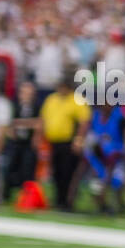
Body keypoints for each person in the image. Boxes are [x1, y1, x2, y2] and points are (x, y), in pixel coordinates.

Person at [38, 76, 90, 211]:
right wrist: (39, 137)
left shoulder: (76, 100)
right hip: (54, 142)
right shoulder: (52, 99)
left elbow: (84, 121)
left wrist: (79, 140)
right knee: (56, 173)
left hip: (69, 143)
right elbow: (43, 119)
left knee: (68, 173)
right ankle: (58, 200)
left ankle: (68, 202)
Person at [2, 80, 42, 199]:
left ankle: (26, 196)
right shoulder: (14, 106)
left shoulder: (37, 107)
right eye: (24, 92)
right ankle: (6, 195)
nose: (26, 95)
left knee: (27, 169)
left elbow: (39, 123)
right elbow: (9, 123)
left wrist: (18, 123)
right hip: (15, 142)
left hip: (29, 143)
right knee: (10, 167)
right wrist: (28, 123)